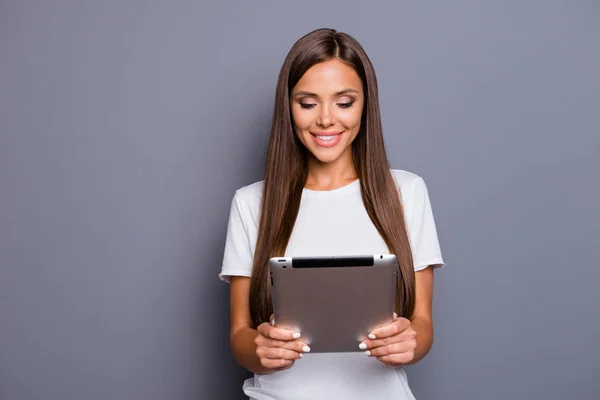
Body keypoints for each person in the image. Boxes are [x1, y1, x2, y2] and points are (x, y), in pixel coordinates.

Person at [219, 28, 445, 400]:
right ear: (288, 107)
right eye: (307, 103)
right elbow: (240, 337)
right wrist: (261, 348)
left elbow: (422, 325)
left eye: (344, 102)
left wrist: (408, 342)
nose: (326, 119)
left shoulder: (406, 193)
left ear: (365, 105)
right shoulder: (251, 203)